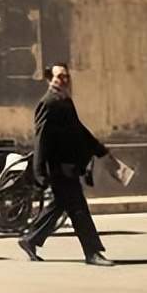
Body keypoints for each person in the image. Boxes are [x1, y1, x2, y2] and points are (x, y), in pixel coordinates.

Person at [17, 63, 119, 266]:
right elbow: (41, 139)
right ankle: (92, 252)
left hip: (69, 165)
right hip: (59, 168)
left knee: (59, 204)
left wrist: (99, 149)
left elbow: (78, 130)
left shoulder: (64, 101)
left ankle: (30, 239)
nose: (63, 80)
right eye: (59, 77)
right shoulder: (48, 103)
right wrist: (39, 172)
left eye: (66, 76)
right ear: (50, 79)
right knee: (78, 209)